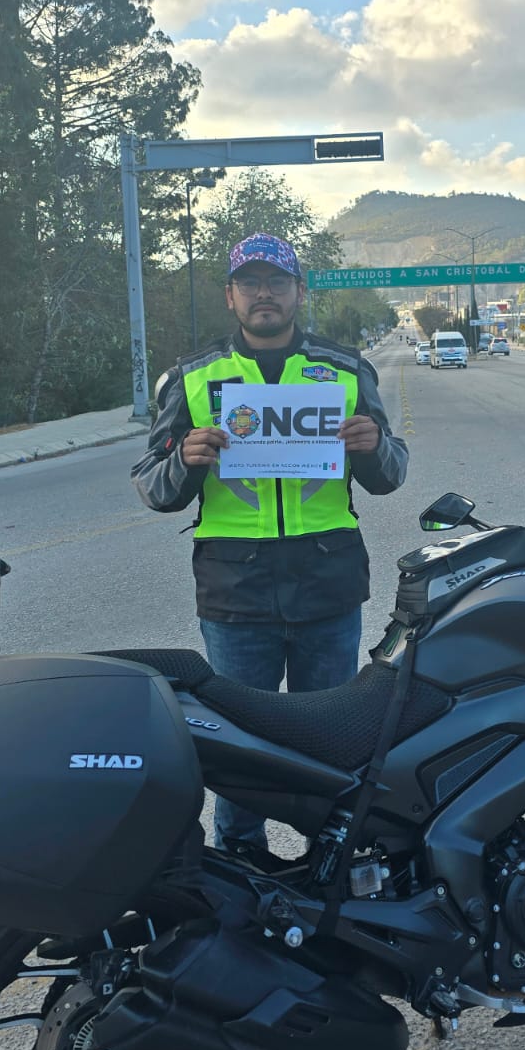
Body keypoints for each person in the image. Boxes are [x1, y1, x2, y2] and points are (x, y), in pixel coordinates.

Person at [131, 232, 408, 857]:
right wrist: (185, 459)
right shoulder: (194, 377)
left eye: (277, 282)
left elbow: (390, 474)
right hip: (237, 592)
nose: (264, 293)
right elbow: (152, 484)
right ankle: (241, 862)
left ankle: (329, 866)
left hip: (328, 586)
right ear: (230, 295)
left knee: (332, 743)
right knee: (238, 746)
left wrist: (373, 447)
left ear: (298, 292)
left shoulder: (345, 370)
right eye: (250, 282)